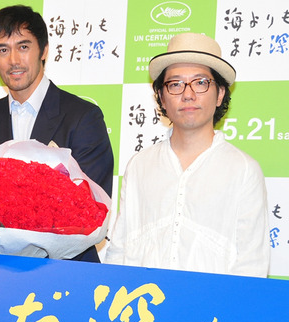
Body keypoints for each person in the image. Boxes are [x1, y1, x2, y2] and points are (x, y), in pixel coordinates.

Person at [106, 32, 269, 278]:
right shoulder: (139, 165)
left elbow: (252, 264)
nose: (188, 94)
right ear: (161, 97)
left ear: (220, 94)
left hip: (211, 302)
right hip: (142, 300)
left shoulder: (243, 169)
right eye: (175, 84)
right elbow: (119, 249)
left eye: (201, 82)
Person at [0, 5, 114, 263]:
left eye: (23, 47)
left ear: (44, 50)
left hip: (66, 269)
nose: (13, 60)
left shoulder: (83, 117)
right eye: (3, 50)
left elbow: (90, 204)